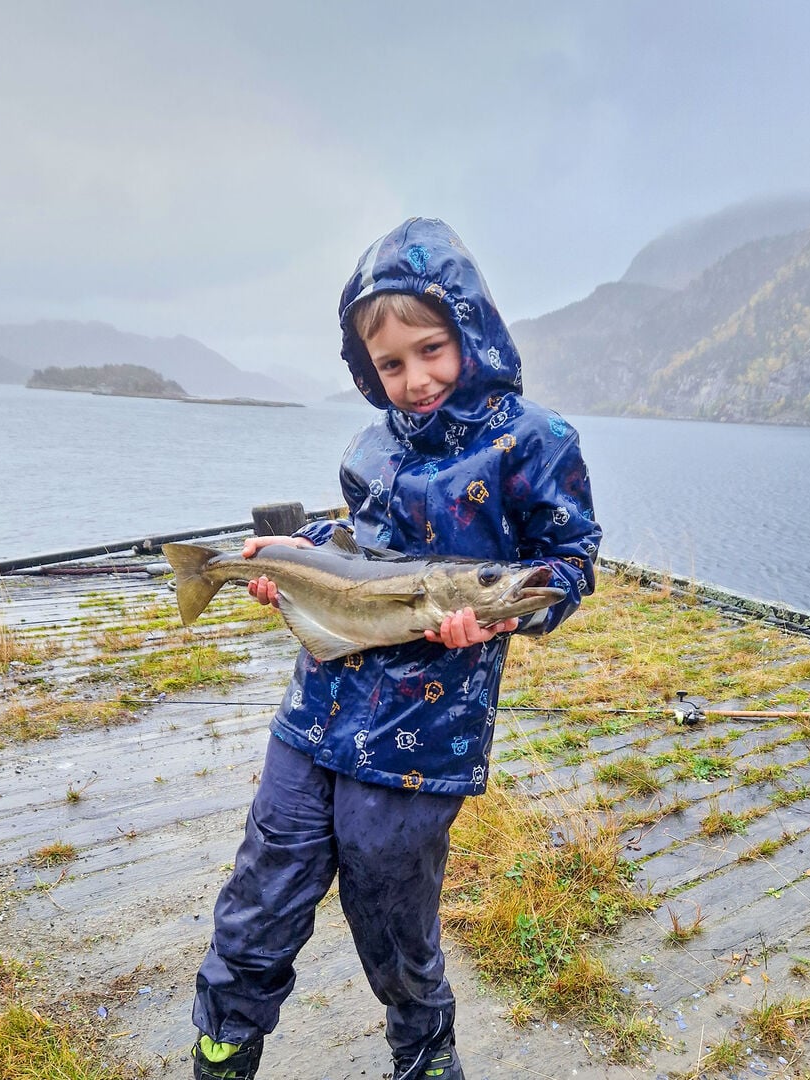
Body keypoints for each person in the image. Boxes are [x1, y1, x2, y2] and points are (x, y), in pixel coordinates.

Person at [190, 218, 601, 1080]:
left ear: (472, 332)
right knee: (265, 881)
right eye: (389, 365)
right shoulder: (368, 445)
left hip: (422, 738)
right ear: (364, 369)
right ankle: (224, 1040)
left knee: (390, 906)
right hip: (315, 709)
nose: (414, 380)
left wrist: (505, 613)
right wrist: (289, 555)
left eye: (432, 349)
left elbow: (566, 564)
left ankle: (424, 1051)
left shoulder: (535, 441)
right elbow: (353, 537)